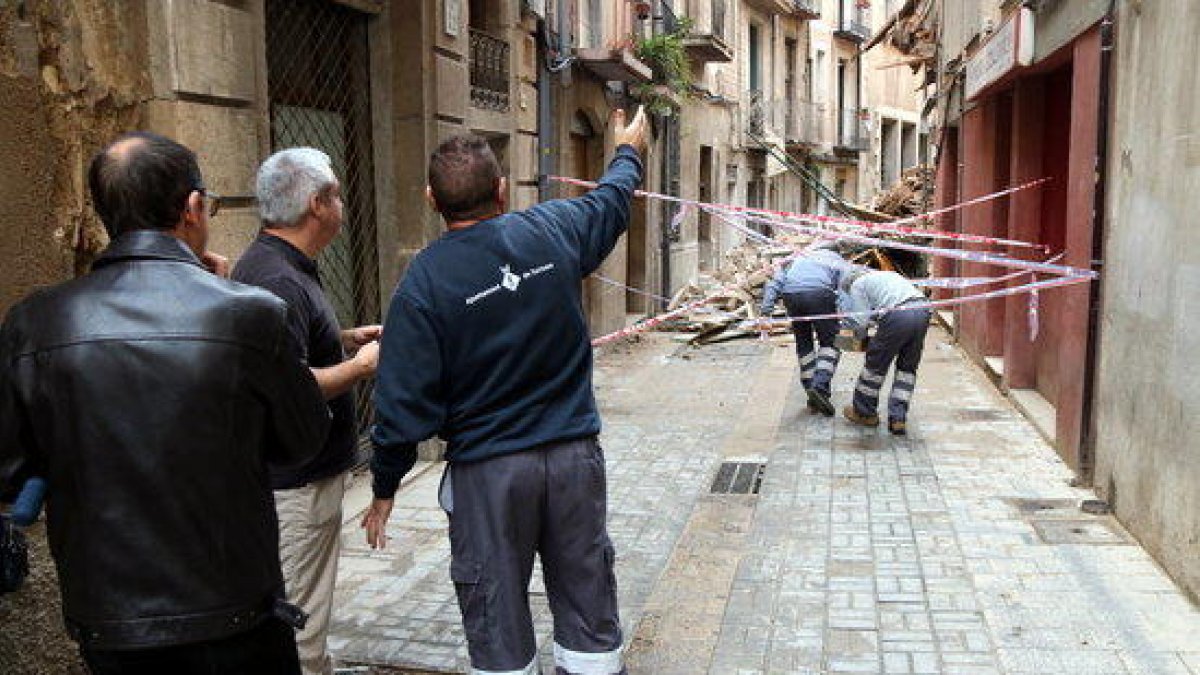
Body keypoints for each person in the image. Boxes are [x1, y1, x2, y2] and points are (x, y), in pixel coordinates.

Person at [0, 132, 329, 673]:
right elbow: (302, 441)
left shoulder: (35, 322)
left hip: (111, 621)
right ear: (193, 207)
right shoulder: (248, 313)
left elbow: (10, 471)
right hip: (234, 613)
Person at [361, 107, 649, 675]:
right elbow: (612, 202)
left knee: (494, 607)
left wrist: (385, 485)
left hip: (488, 476)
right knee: (587, 590)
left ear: (430, 199)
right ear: (499, 189)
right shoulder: (553, 228)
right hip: (572, 461)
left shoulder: (422, 284)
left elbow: (401, 407)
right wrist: (627, 151)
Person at [232, 148, 381, 675]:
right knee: (298, 621)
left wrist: (341, 339)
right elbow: (289, 383)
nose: (342, 203)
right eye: (337, 193)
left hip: (304, 480)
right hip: (295, 488)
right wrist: (361, 366)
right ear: (318, 204)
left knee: (308, 609)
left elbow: (285, 352)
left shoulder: (281, 268)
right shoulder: (278, 280)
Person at [759, 243, 851, 416]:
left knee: (804, 344)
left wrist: (766, 313)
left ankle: (811, 393)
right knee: (831, 343)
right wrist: (847, 318)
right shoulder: (837, 260)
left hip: (791, 295)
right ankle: (820, 386)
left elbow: (774, 283)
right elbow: (844, 288)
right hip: (819, 294)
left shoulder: (799, 257)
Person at [838, 267, 932, 435]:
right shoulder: (884, 275)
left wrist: (854, 338)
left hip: (898, 315)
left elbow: (860, 320)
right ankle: (898, 418)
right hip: (923, 309)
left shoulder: (857, 285)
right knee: (907, 368)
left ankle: (864, 412)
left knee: (875, 364)